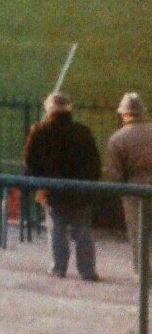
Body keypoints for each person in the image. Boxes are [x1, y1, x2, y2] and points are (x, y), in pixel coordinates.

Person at [22, 92, 101, 280]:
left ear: (49, 109)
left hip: (52, 190)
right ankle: (88, 271)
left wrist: (38, 186)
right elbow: (94, 165)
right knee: (82, 232)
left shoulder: (39, 131)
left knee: (56, 230)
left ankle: (59, 268)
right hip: (80, 191)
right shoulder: (83, 131)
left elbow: (29, 162)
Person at [105, 92, 152, 275]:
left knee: (138, 235)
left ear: (123, 114)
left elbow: (116, 175)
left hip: (134, 192)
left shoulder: (117, 139)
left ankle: (144, 277)